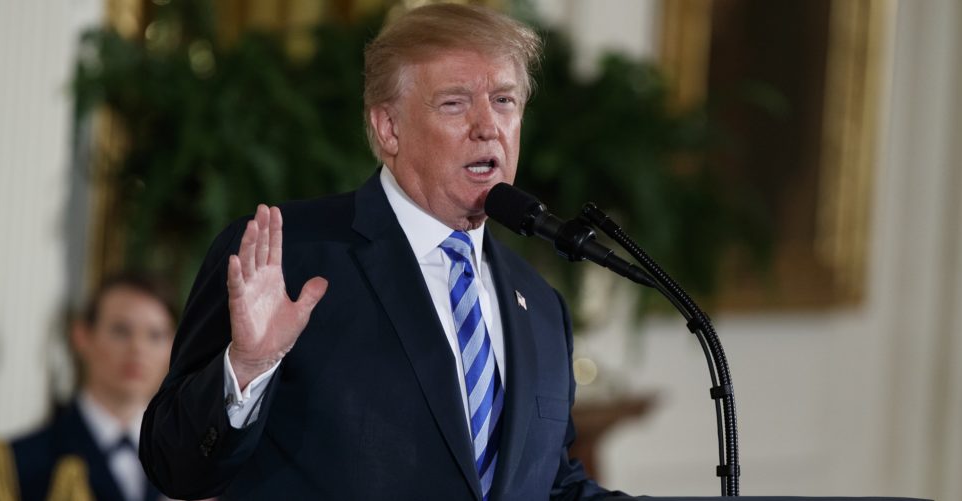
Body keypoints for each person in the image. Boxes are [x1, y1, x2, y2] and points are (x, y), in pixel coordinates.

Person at [139, 4, 642, 500]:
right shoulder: (286, 256)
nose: (488, 126)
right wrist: (246, 368)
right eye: (455, 103)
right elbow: (175, 466)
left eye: (505, 101)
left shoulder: (540, 304)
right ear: (388, 128)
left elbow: (550, 487)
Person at [0, 273, 176, 501]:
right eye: (121, 331)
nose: (138, 349)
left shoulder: (190, 464)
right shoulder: (15, 466)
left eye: (155, 336)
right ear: (82, 336)